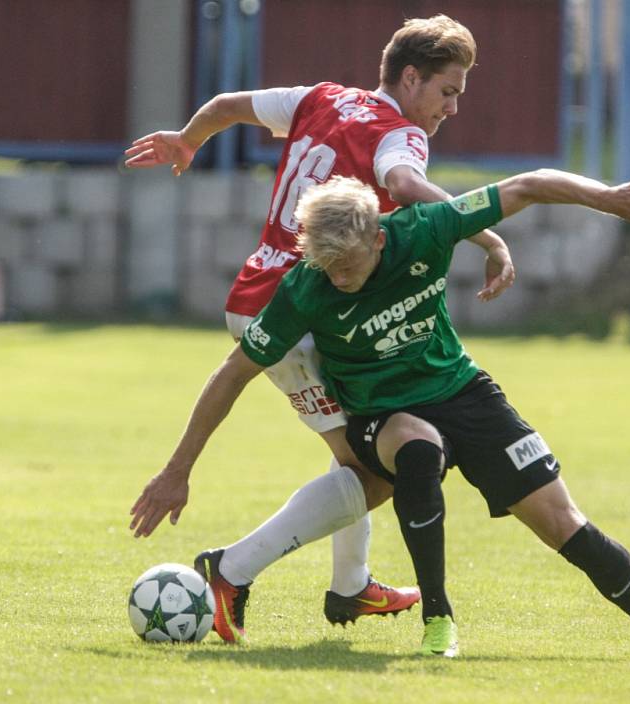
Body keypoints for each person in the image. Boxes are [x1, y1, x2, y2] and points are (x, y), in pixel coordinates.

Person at [144, 167, 630, 660]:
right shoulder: (306, 287)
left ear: (380, 236)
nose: (339, 279)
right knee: (417, 448)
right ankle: (438, 618)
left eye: (347, 266)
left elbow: (529, 184)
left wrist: (609, 198)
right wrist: (178, 469)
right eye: (327, 268)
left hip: (465, 394)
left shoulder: (425, 229)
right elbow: (231, 376)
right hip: (382, 413)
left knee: (563, 521)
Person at [126, 15, 515, 643]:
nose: (451, 107)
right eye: (448, 90)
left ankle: (350, 586)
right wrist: (488, 236)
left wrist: (186, 140)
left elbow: (227, 105)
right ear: (409, 78)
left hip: (258, 292)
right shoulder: (401, 134)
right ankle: (230, 571)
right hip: (300, 312)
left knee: (360, 455)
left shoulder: (321, 97)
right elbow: (405, 183)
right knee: (377, 470)